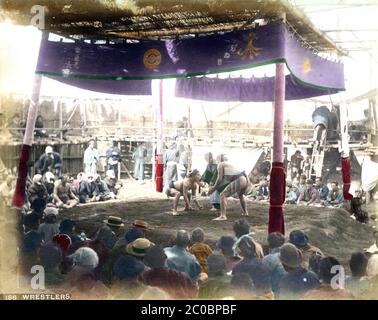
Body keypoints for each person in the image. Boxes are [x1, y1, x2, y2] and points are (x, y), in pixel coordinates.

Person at [262, 232, 286, 296]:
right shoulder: (290, 255)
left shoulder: (267, 259)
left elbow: (263, 280)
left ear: (269, 244)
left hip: (275, 294)